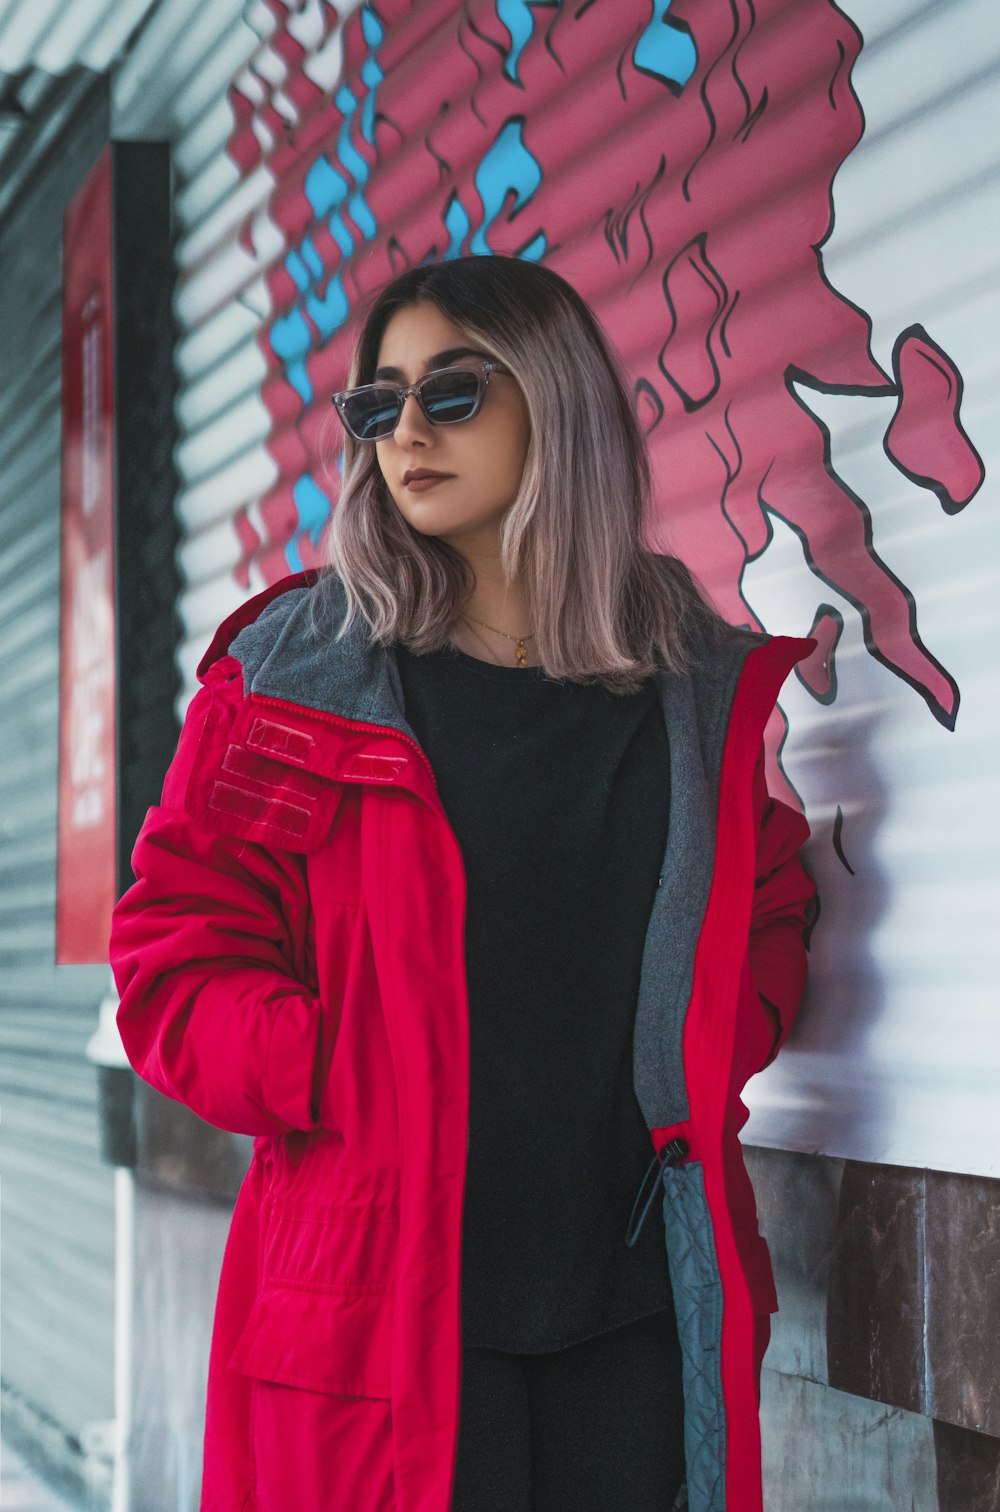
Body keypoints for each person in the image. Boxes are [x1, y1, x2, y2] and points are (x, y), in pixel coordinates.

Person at [110, 254, 816, 1512]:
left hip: (637, 1310)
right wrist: (330, 1063)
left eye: (452, 392)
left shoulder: (688, 688)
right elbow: (174, 951)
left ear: (557, 402)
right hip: (381, 1311)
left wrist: (712, 1045)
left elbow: (767, 901)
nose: (407, 435)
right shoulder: (296, 685)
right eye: (377, 407)